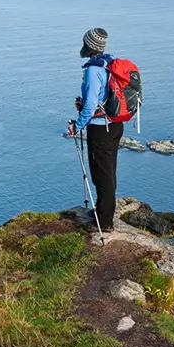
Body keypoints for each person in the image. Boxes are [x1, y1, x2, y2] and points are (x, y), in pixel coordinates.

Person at [67, 27, 123, 229]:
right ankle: (102, 211)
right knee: (109, 172)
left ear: (88, 45)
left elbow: (91, 105)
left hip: (101, 129)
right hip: (115, 125)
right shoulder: (110, 62)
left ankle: (104, 222)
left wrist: (77, 124)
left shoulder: (93, 70)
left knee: (101, 175)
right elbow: (103, 97)